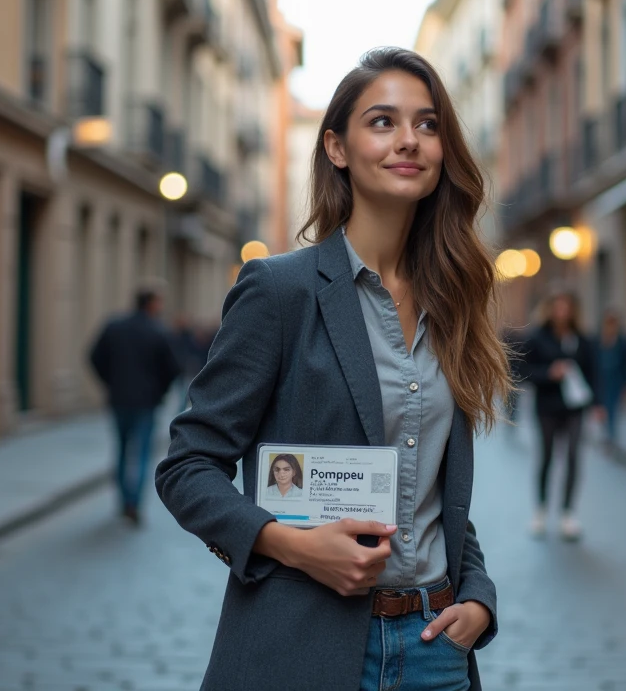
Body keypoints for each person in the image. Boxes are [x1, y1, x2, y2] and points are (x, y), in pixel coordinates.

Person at [156, 48, 507, 691]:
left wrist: (477, 596)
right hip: (301, 647)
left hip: (436, 650)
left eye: (428, 125)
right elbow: (187, 467)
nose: (409, 140)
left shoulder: (453, 301)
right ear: (337, 148)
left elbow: (430, 490)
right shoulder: (280, 290)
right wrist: (292, 546)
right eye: (382, 121)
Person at [89, 286, 181, 526]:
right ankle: (134, 503)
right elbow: (173, 368)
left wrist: (110, 382)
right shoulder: (157, 331)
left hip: (119, 400)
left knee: (121, 450)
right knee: (140, 454)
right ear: (151, 304)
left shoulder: (114, 327)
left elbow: (94, 357)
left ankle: (124, 500)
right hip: (146, 403)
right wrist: (159, 391)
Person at [523, 292, 599, 541]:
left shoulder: (582, 340)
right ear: (550, 309)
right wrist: (549, 373)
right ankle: (541, 510)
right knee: (546, 458)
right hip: (547, 407)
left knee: (574, 457)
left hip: (576, 408)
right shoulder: (537, 337)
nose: (562, 312)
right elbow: (522, 371)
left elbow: (593, 372)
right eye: (558, 307)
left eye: (567, 307)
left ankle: (568, 514)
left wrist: (598, 404)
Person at [597, 310, 626, 449]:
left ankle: (611, 434)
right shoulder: (599, 340)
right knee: (604, 407)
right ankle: (606, 432)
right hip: (602, 380)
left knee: (613, 408)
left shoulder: (622, 341)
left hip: (616, 380)